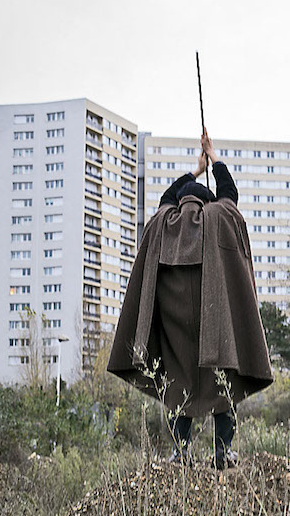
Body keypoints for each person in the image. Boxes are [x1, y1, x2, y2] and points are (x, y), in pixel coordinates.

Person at [107, 129, 273, 470]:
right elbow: (230, 193)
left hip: (176, 333)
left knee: (178, 388)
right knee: (222, 384)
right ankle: (224, 455)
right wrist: (213, 158)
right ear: (206, 202)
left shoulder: (161, 224)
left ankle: (181, 454)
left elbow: (165, 197)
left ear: (180, 202)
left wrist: (194, 172)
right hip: (215, 329)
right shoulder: (219, 218)